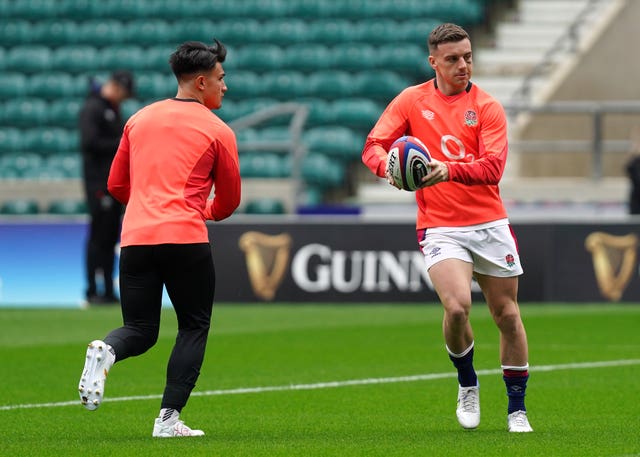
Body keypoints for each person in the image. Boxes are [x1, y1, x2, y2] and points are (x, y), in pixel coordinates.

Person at [362, 23, 533, 433]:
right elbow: (373, 144)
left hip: (489, 222)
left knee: (506, 314)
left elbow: (493, 167)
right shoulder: (410, 100)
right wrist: (387, 168)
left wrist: (446, 171)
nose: (463, 65)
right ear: (433, 62)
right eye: (453, 59)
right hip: (440, 226)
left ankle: (516, 409)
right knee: (456, 307)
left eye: (468, 57)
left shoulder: (487, 106)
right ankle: (467, 381)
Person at [77, 39, 241, 438]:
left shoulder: (138, 119)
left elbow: (116, 183)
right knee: (193, 326)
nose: (225, 86)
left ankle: (108, 350)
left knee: (139, 328)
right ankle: (168, 420)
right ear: (201, 82)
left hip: (135, 238)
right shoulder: (218, 130)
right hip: (184, 238)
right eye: (221, 78)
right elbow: (230, 198)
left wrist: (148, 208)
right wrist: (203, 212)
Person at [79, 70, 135, 305]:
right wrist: (122, 143)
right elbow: (89, 142)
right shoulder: (93, 108)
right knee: (98, 236)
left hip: (111, 183)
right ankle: (92, 289)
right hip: (98, 183)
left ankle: (108, 291)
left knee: (110, 234)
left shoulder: (111, 109)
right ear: (116, 87)